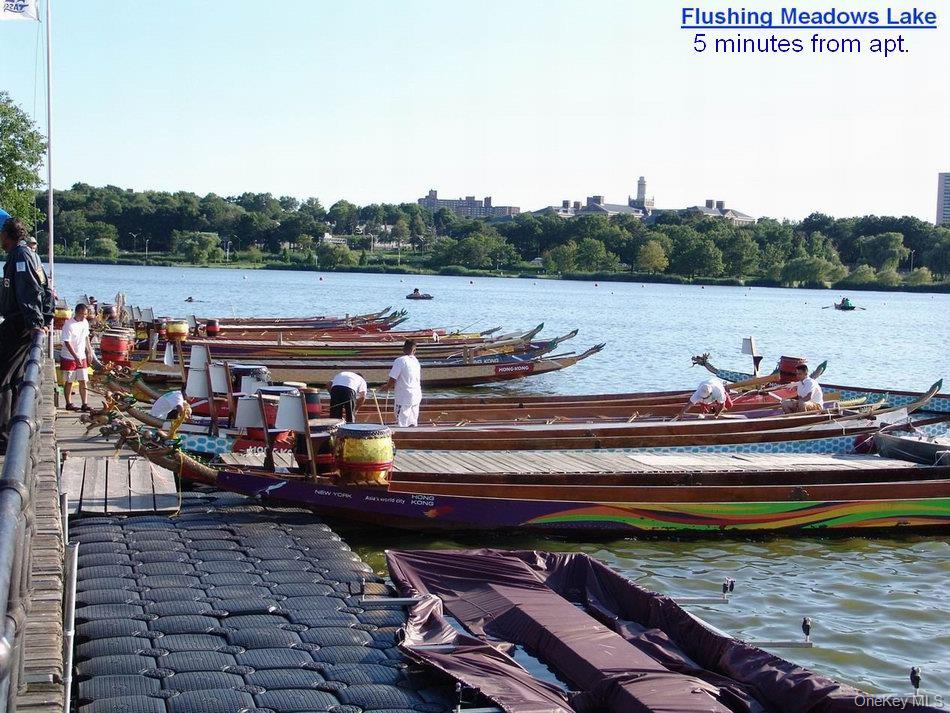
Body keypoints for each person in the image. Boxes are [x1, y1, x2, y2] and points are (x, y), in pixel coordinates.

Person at [1, 216, 53, 451]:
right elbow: (45, 289)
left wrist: (35, 322)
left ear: (7, 234)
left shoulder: (20, 256)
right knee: (14, 377)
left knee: (4, 377)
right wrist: (45, 318)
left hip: (18, 324)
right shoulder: (27, 255)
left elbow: (28, 290)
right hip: (20, 323)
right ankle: (10, 431)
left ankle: (4, 436)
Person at [60, 303, 94, 411]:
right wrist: (75, 356)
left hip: (81, 355)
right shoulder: (69, 325)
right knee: (69, 381)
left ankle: (85, 403)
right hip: (69, 356)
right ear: (77, 313)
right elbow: (67, 342)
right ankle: (68, 403)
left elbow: (86, 337)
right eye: (82, 314)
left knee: (83, 380)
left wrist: (89, 351)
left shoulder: (85, 322)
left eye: (85, 314)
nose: (84, 316)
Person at [384, 339, 422, 427]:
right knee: (412, 422)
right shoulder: (416, 361)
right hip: (416, 395)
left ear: (403, 349)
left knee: (402, 422)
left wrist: (386, 387)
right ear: (414, 350)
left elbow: (393, 379)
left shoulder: (400, 360)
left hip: (404, 397)